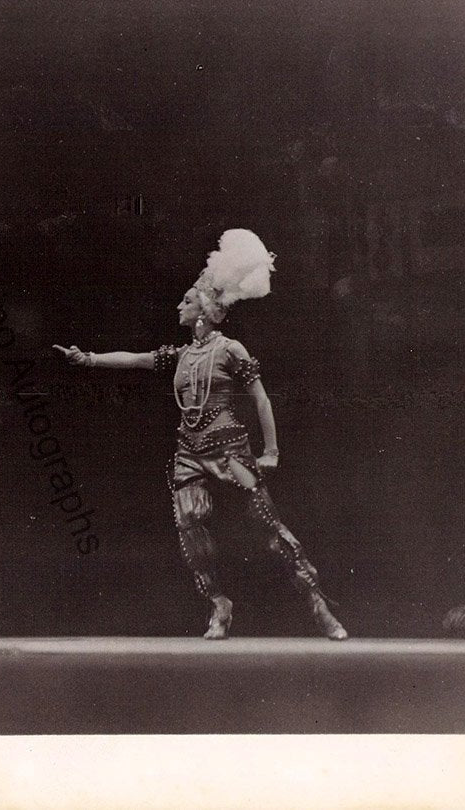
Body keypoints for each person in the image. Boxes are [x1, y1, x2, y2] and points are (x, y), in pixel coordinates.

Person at [54, 229, 347, 640]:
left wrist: (272, 450)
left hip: (230, 450)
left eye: (187, 301)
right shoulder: (181, 355)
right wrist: (88, 359)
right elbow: (136, 359)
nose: (179, 305)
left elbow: (261, 400)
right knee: (190, 524)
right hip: (189, 450)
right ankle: (218, 603)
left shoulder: (230, 350)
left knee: (268, 528)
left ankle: (318, 604)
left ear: (204, 312)